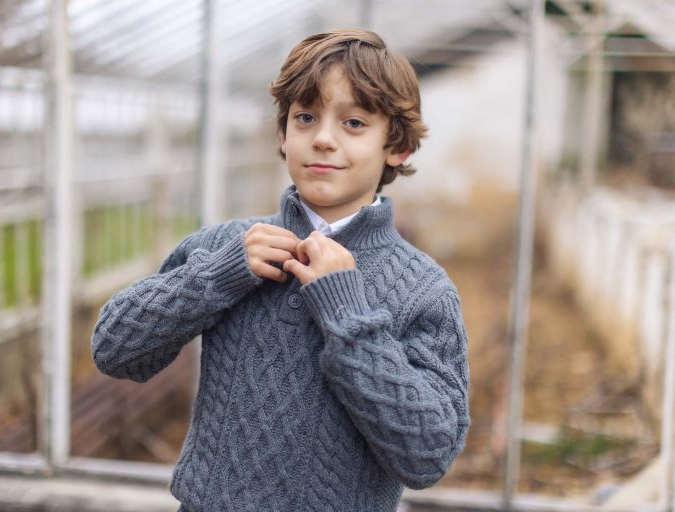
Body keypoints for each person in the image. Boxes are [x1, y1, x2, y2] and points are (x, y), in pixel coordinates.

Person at [91, 28, 470, 512]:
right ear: (283, 135)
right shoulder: (223, 248)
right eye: (306, 117)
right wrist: (218, 276)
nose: (325, 139)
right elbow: (114, 350)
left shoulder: (423, 288)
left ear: (397, 148)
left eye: (354, 123)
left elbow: (428, 455)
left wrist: (350, 316)